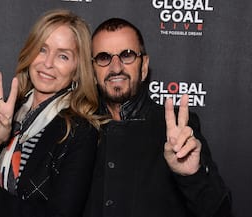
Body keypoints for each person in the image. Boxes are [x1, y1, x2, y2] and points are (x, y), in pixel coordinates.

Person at [0, 9, 101, 217]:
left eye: (63, 55)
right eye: (42, 49)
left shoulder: (79, 130)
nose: (48, 63)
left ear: (77, 68)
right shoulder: (13, 111)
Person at [83, 18, 233, 217]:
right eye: (103, 57)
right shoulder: (78, 128)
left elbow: (218, 212)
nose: (116, 67)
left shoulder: (179, 127)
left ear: (144, 66)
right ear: (92, 71)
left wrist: (191, 175)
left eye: (127, 55)